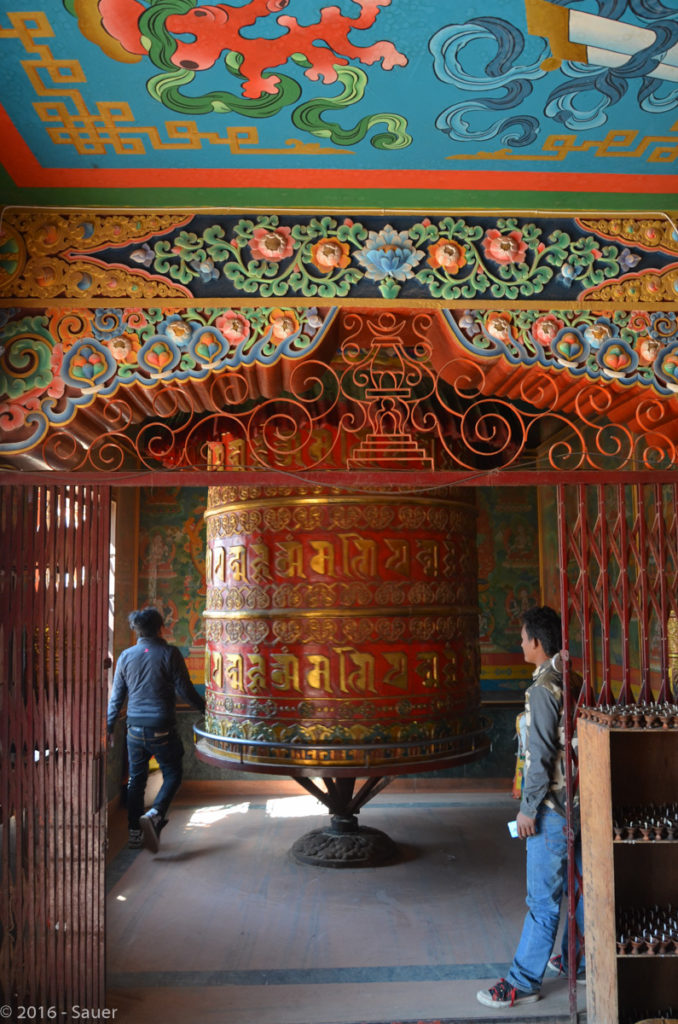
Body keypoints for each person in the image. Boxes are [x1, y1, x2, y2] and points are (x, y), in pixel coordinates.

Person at [477, 605, 584, 1009]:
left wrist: (528, 810)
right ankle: (580, 961)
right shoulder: (570, 678)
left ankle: (523, 982)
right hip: (578, 801)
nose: (520, 643)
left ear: (536, 642)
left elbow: (539, 757)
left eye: (523, 637)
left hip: (553, 808)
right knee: (577, 888)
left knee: (543, 900)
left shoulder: (543, 689)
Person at [107, 607, 206, 853]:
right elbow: (185, 690)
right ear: (161, 627)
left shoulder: (126, 656)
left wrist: (109, 726)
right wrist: (207, 711)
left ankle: (134, 835)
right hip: (161, 727)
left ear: (136, 630)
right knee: (172, 773)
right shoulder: (170, 653)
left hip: (134, 729)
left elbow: (117, 697)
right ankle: (156, 813)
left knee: (136, 781)